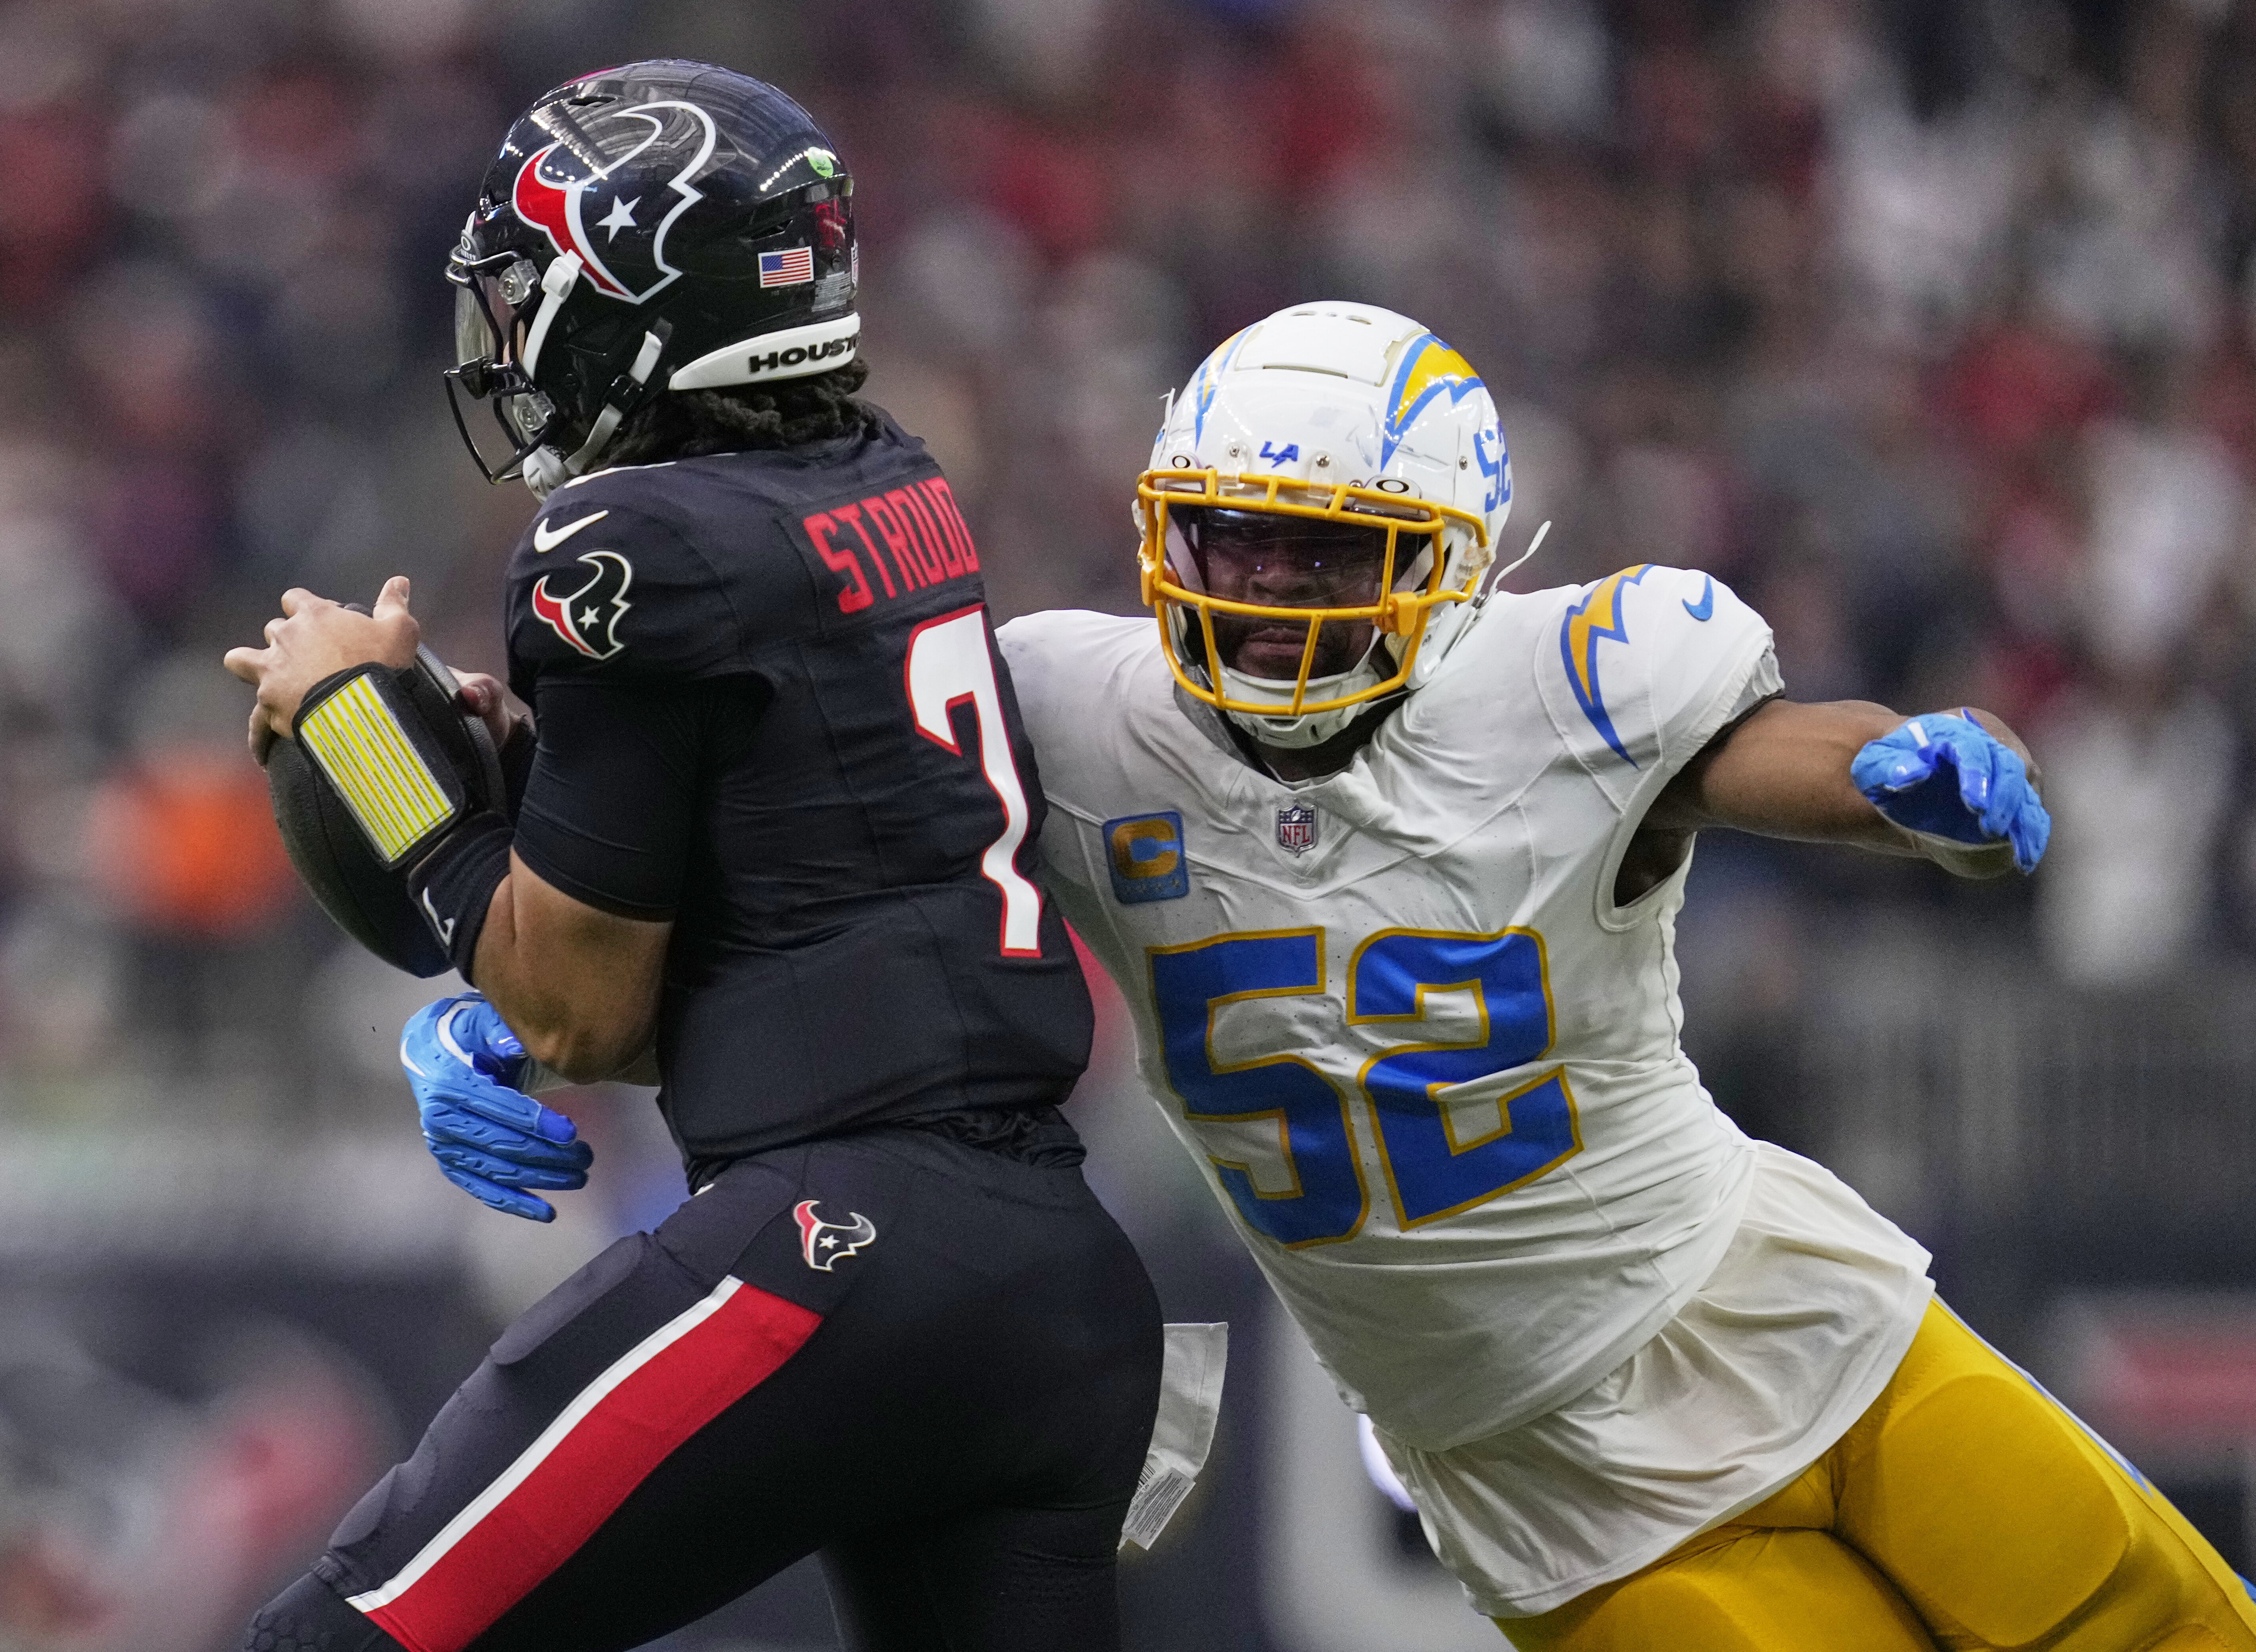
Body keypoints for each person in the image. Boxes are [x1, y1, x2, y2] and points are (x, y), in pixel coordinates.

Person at [996, 299, 2256, 1649]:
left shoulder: (1557, 691)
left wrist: (1927, 778)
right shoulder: (1070, 718)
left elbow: (1815, 754)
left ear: (1449, 564)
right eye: (1230, 539)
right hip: (1538, 1471)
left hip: (1778, 1308)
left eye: (1322, 559)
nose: (1258, 598)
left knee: (2160, 1629)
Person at [225, 62, 1161, 1652]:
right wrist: (507, 756)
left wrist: (359, 736)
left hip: (835, 1256)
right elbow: (787, 879)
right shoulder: (892, 483)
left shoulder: (623, 546)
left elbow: (577, 1010)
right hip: (1056, 1285)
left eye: (530, 294)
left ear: (630, 296)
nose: (509, 338)